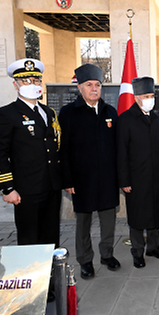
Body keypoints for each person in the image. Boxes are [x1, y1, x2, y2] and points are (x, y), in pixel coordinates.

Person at [59, 63, 121, 280]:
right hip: (82, 180)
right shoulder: (68, 113)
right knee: (83, 223)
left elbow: (118, 148)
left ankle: (107, 254)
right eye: (89, 85)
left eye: (97, 85)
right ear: (80, 88)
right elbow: (63, 150)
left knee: (108, 221)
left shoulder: (110, 112)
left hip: (107, 179)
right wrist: (67, 179)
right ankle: (85, 260)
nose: (94, 89)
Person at [0, 58, 62, 247]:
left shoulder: (49, 113)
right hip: (27, 189)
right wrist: (8, 188)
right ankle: (31, 276)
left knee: (51, 238)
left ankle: (50, 274)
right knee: (30, 238)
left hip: (51, 186)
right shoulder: (6, 114)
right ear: (16, 85)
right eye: (26, 81)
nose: (33, 84)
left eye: (36, 80)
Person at [117, 77, 159, 268]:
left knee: (156, 213)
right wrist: (124, 180)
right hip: (136, 178)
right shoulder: (125, 120)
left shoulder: (157, 118)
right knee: (138, 217)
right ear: (136, 97)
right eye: (146, 96)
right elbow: (121, 152)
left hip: (156, 176)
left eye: (152, 95)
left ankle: (154, 247)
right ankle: (138, 251)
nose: (150, 99)